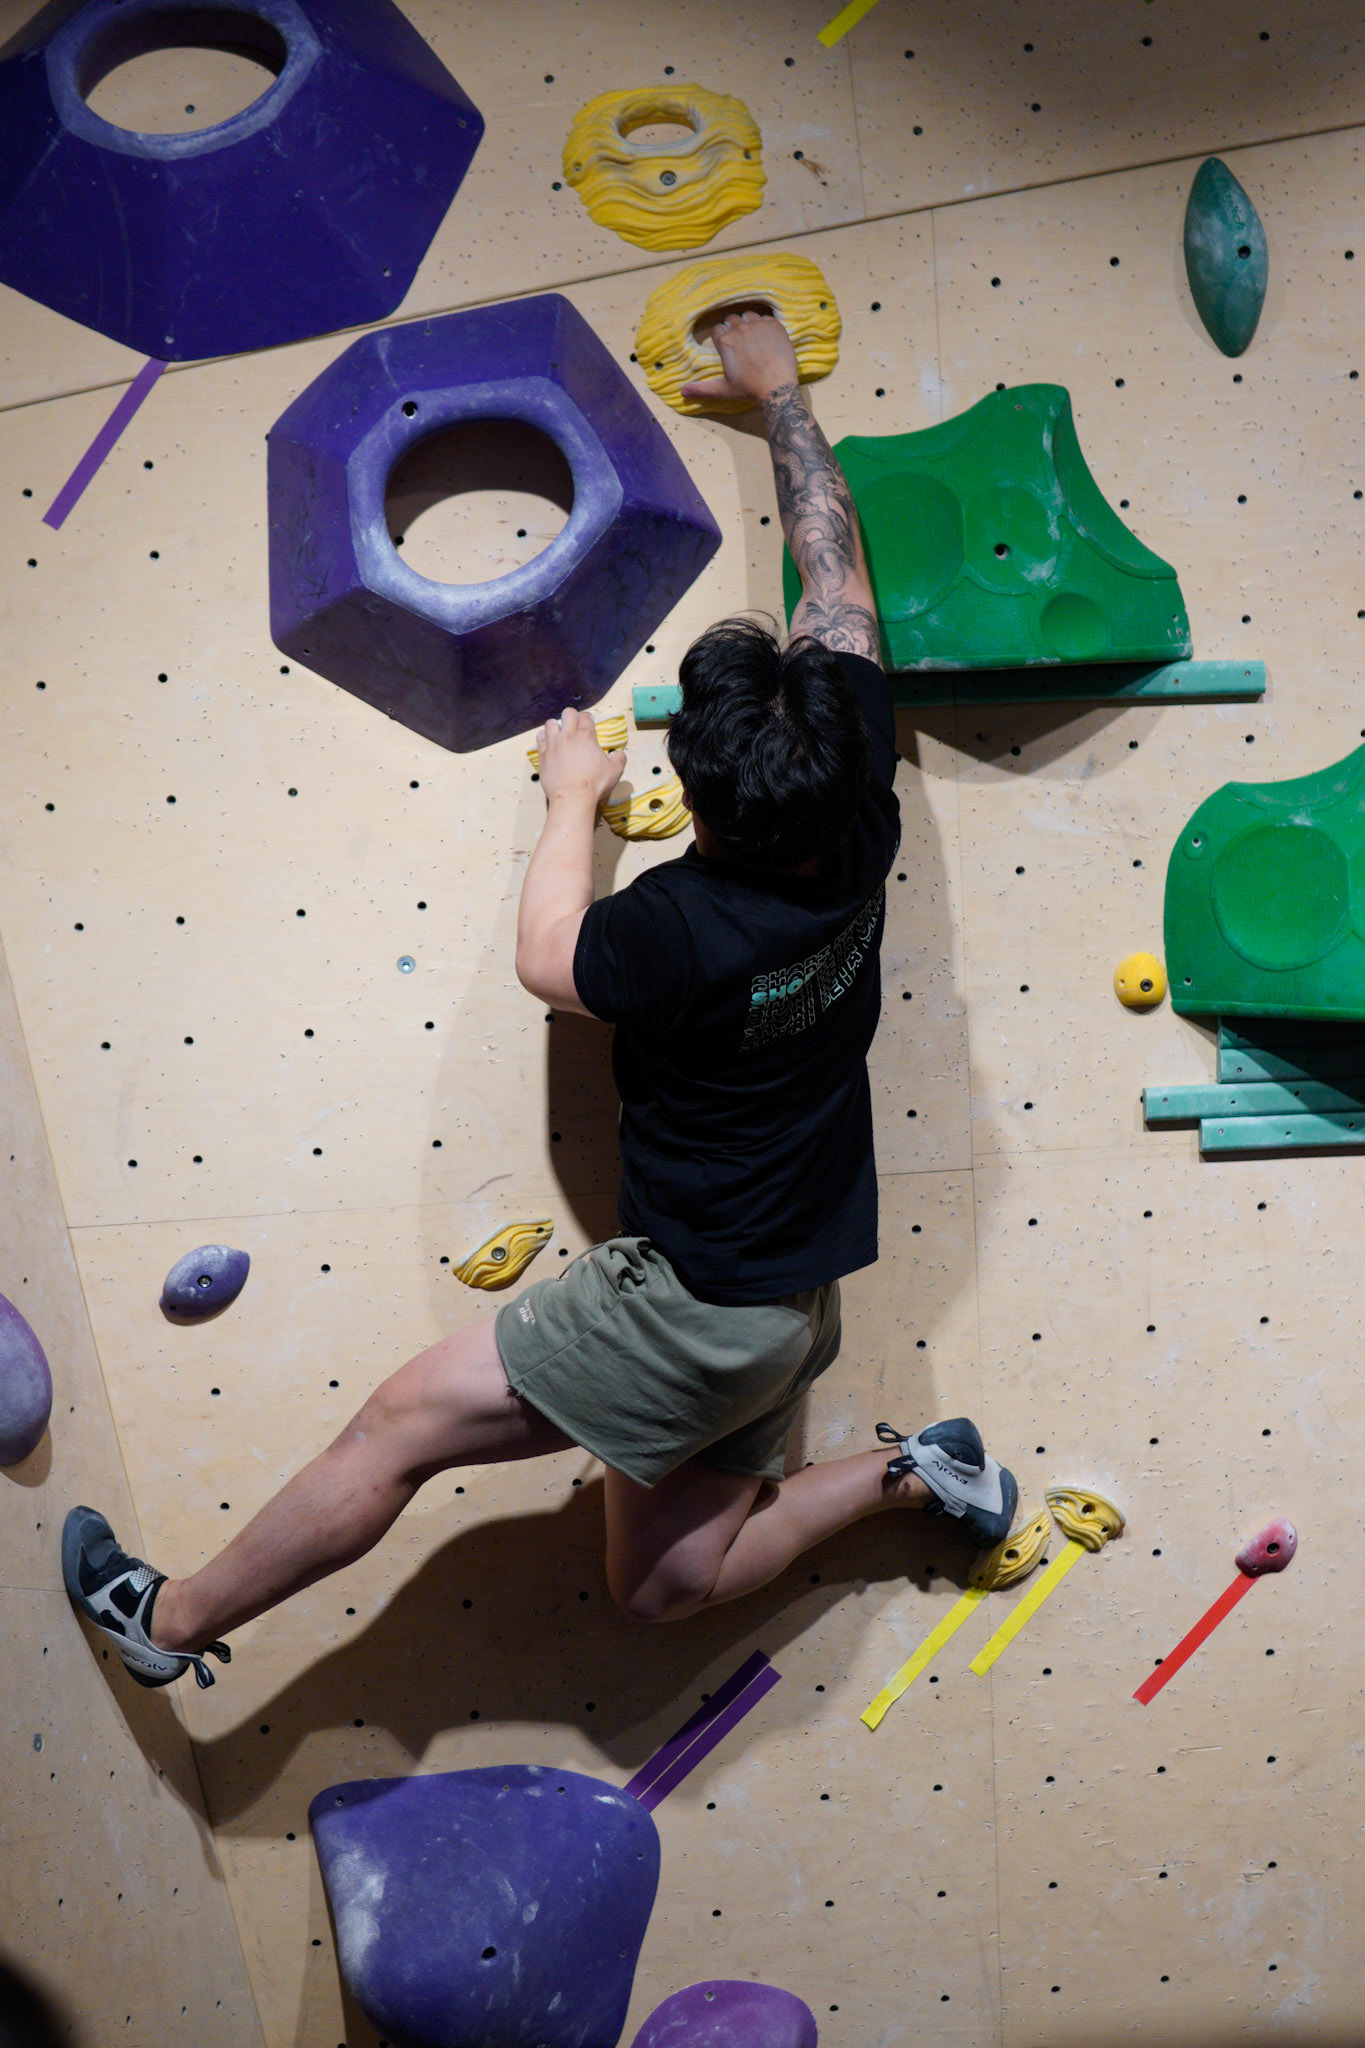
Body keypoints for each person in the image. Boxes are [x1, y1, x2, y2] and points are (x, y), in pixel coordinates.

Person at [63, 312, 1018, 1692]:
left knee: (399, 1424)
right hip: (792, 1284)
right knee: (662, 1587)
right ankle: (911, 1477)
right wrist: (780, 397)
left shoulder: (679, 929)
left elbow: (548, 958)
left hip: (696, 1305)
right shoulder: (854, 798)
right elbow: (834, 570)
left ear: (705, 806)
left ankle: (161, 1624)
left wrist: (572, 798)